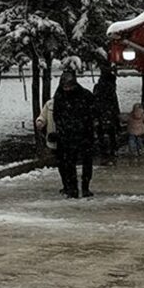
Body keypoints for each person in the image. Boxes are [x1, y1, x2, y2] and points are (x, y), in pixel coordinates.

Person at [51, 68, 97, 198]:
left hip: (84, 134)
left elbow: (93, 113)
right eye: (64, 86)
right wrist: (62, 128)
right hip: (67, 135)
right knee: (67, 163)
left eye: (68, 86)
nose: (66, 89)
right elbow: (57, 115)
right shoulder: (59, 96)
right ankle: (71, 188)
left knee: (86, 162)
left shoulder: (85, 95)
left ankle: (85, 187)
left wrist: (86, 126)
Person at [92, 69, 120, 165]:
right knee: (111, 132)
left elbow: (95, 101)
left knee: (101, 133)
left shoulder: (98, 87)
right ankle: (112, 150)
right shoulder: (111, 88)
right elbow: (114, 102)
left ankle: (104, 151)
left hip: (101, 113)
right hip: (109, 113)